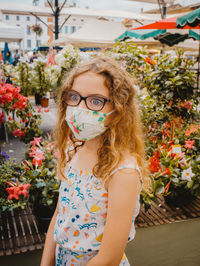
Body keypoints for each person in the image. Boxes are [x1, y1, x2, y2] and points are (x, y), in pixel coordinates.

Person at [40, 56, 149, 266]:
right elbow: (59, 216)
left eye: (96, 101)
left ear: (118, 109)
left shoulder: (122, 172)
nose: (81, 108)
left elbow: (109, 258)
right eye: (74, 97)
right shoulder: (73, 149)